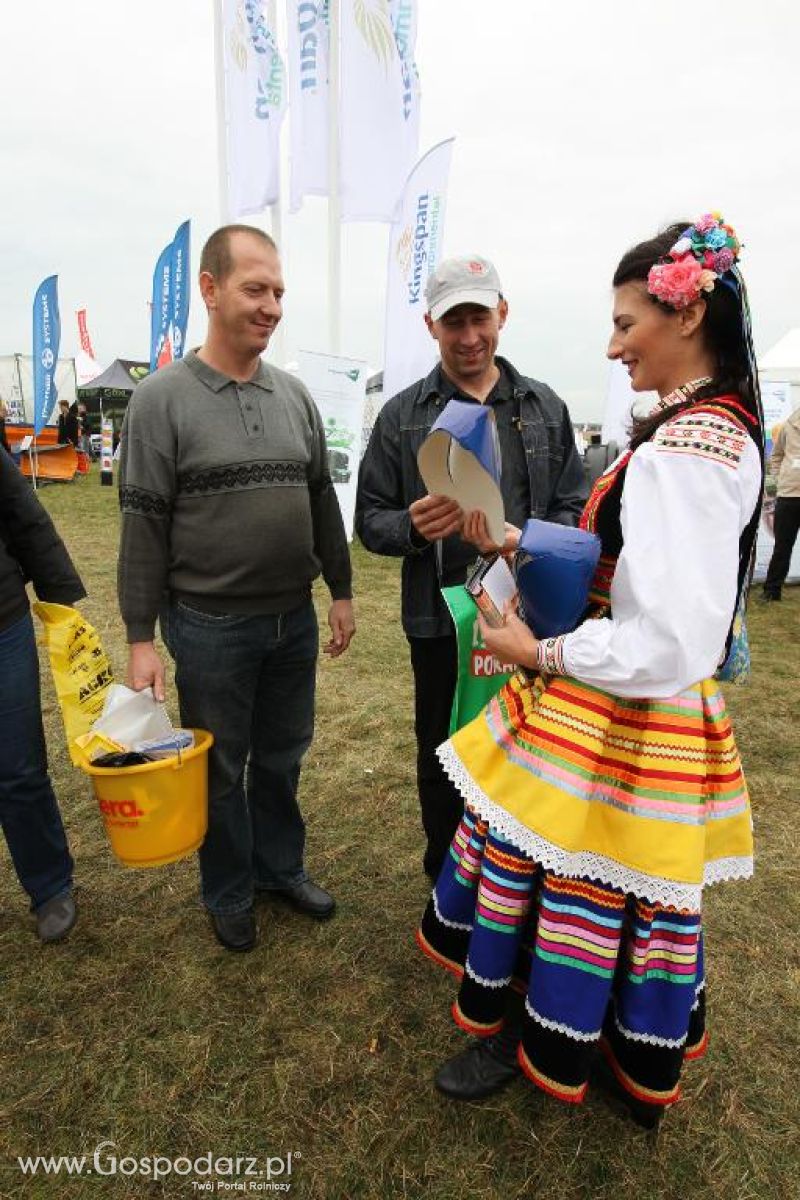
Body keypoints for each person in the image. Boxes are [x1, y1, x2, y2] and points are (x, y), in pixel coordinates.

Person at [416, 214, 764, 1128]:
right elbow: (633, 565)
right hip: (647, 711)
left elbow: (667, 637)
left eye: (625, 323)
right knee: (612, 892)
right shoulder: (712, 425)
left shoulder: (688, 450)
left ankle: (533, 1033)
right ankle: (600, 1039)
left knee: (557, 877)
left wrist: (540, 652)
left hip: (623, 706)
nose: (612, 346)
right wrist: (517, 534)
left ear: (685, 317)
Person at [117, 224, 355, 953]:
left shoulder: (295, 398)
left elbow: (320, 501)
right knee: (221, 766)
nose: (272, 305)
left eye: (279, 290)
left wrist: (340, 591)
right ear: (210, 289)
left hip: (293, 619)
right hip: (210, 626)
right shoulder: (161, 400)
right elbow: (143, 526)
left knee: (283, 756)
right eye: (256, 288)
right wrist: (139, 638)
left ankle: (279, 867)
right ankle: (226, 890)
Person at [355, 255, 586, 880]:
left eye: (479, 317)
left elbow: (574, 504)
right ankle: (448, 879)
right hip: (439, 619)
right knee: (444, 750)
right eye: (453, 320)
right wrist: (410, 526)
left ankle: (521, 881)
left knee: (534, 743)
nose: (468, 336)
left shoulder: (544, 406)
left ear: (502, 315)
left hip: (533, 615)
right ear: (432, 325)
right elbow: (368, 518)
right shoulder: (403, 415)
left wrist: (527, 542)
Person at [0, 445, 85, 941]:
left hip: (3, 623)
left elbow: (21, 510)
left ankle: (50, 885)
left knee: (19, 767)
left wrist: (61, 599)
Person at [760, 403, 800, 600]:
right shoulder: (787, 426)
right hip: (789, 495)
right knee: (782, 546)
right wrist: (780, 476)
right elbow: (776, 456)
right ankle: (771, 591)